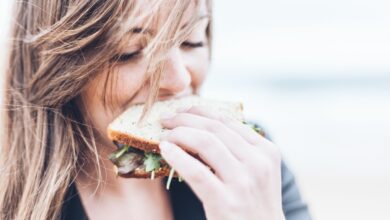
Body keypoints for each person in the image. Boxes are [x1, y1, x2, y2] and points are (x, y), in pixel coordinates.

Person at [0, 0, 311, 219]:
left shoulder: (249, 166)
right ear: (57, 67)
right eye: (129, 52)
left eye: (191, 42)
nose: (179, 80)